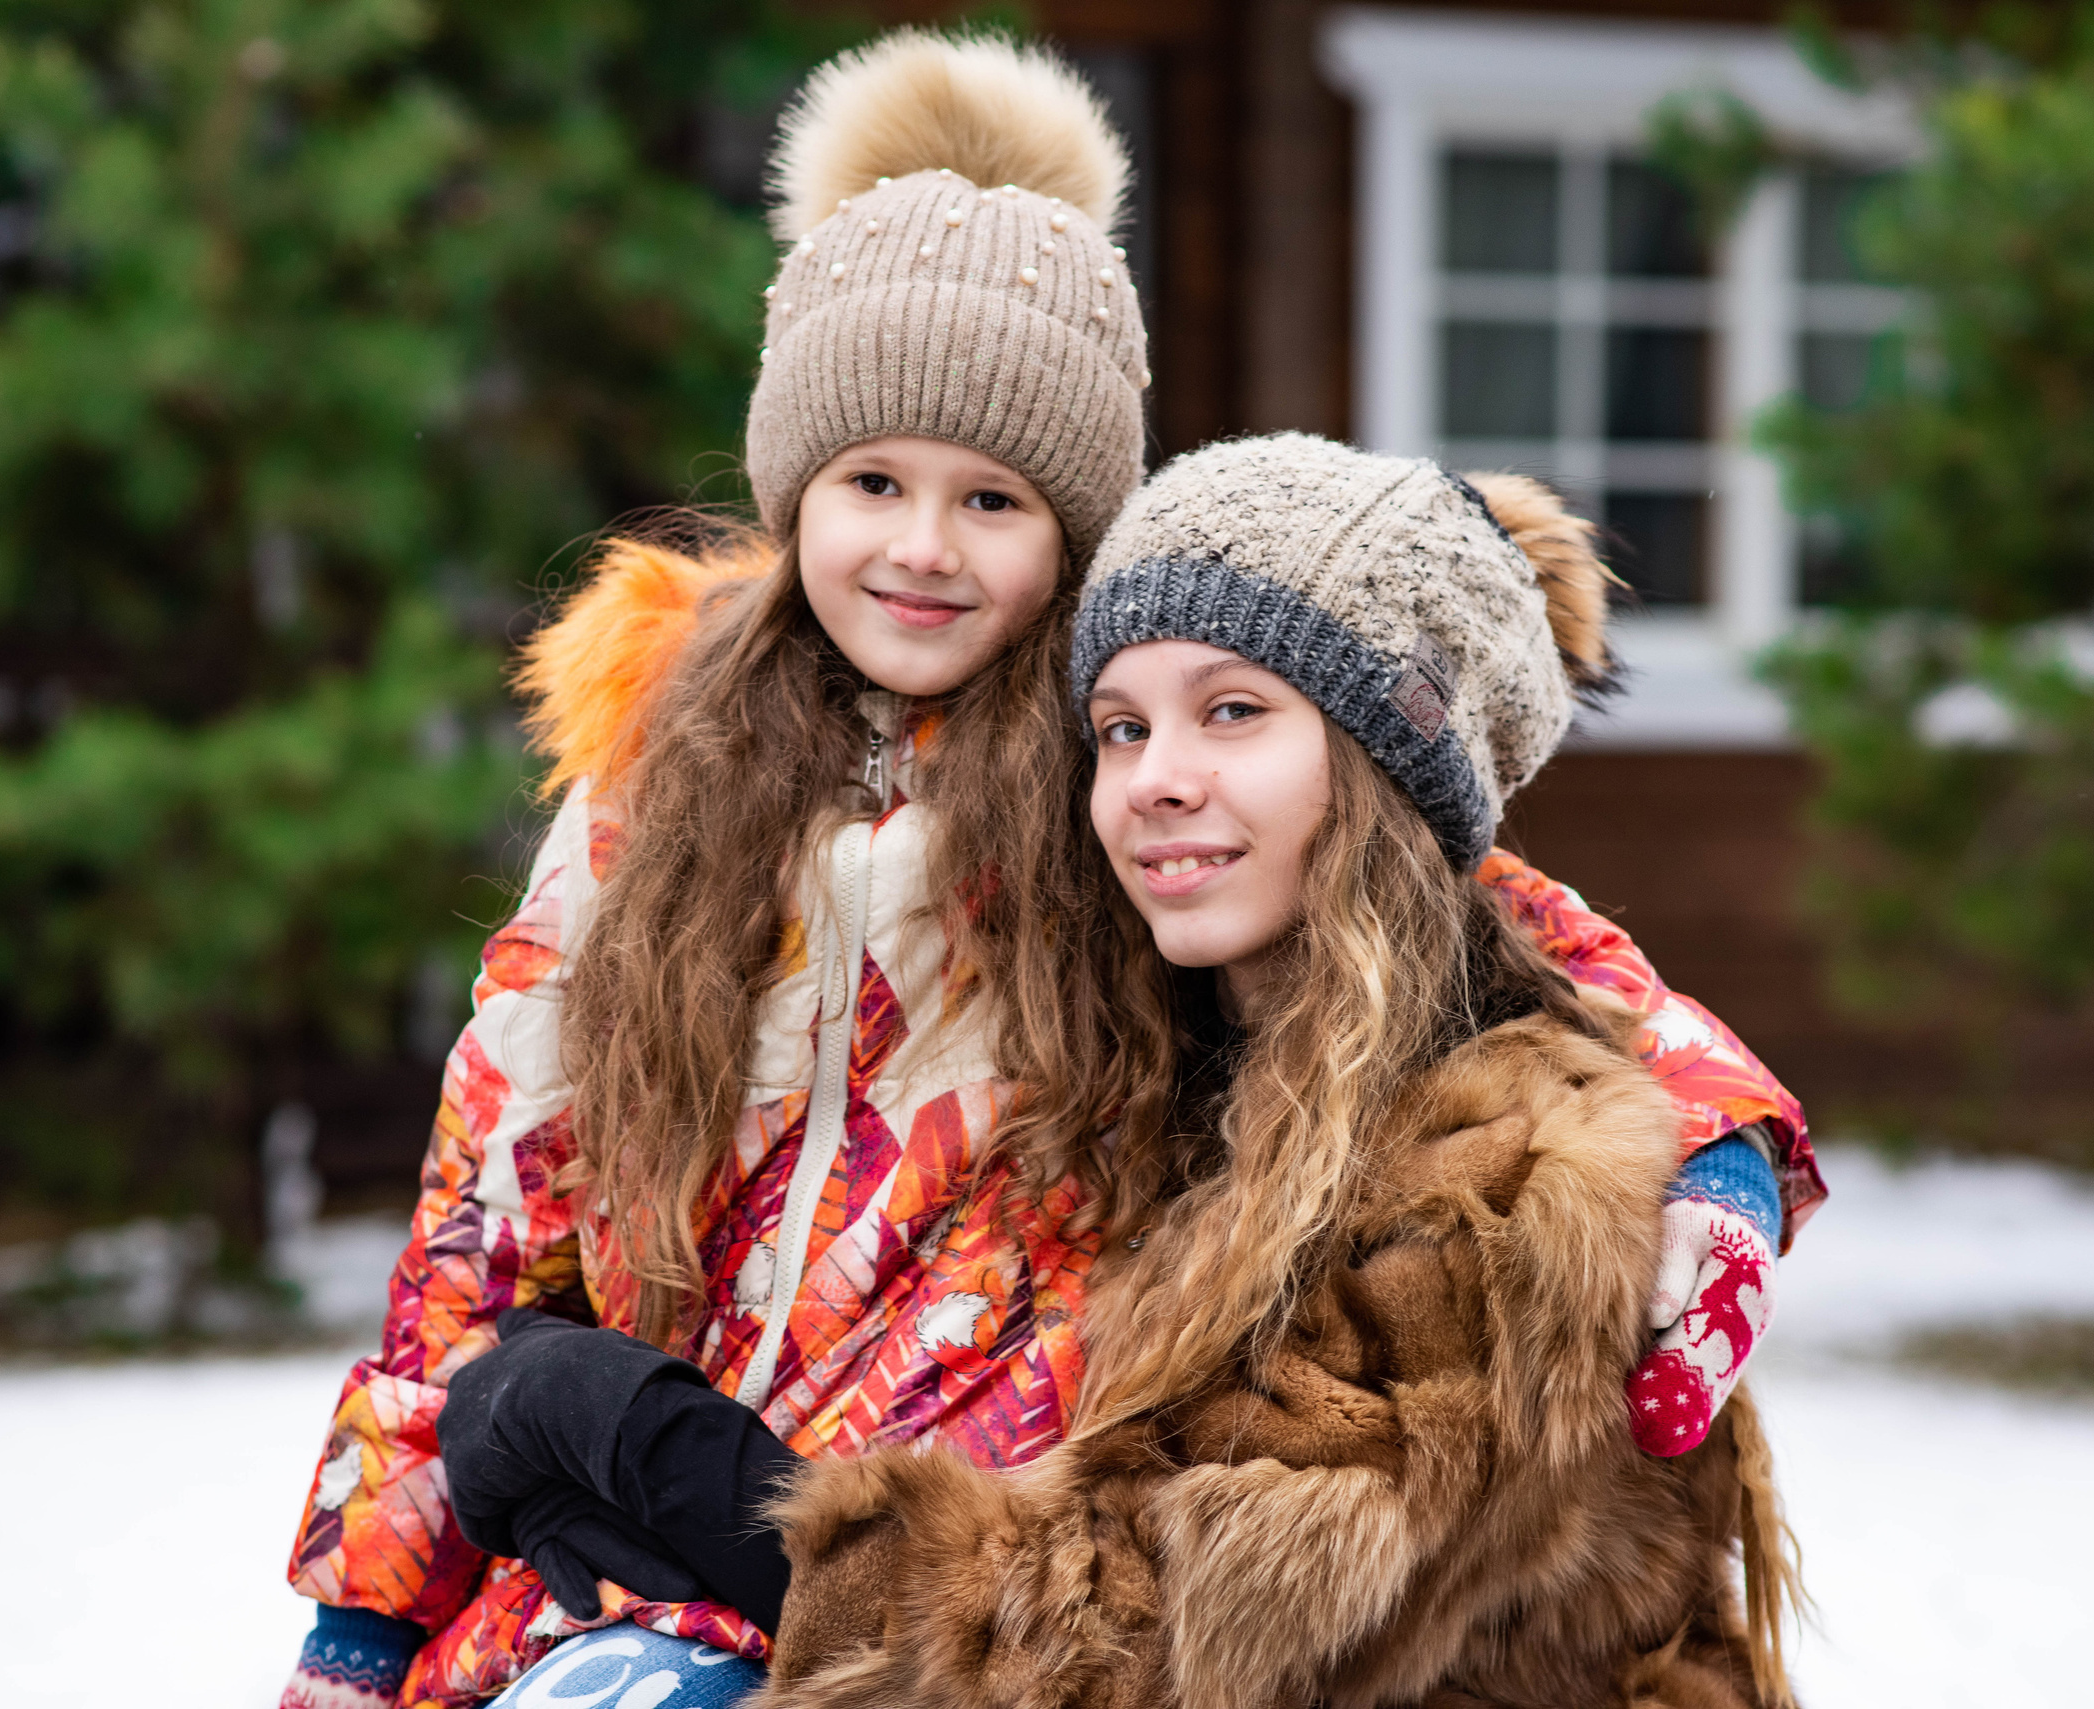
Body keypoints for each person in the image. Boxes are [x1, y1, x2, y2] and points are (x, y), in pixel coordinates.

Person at [277, 32, 1821, 1709]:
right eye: (871, 482)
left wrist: (1720, 1133)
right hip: (627, 1546)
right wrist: (367, 1615)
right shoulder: (652, 801)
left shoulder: (1103, 789)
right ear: (793, 491)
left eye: (994, 499)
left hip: (943, 1547)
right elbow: (482, 1221)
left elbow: (1463, 901)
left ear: (1074, 536)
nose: (925, 545)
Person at [758, 433, 1803, 1708]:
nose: (1155, 782)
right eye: (1122, 729)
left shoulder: (1509, 1173)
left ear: (1384, 770)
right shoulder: (1165, 1081)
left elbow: (1092, 1661)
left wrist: (698, 1490)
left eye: (1233, 711)